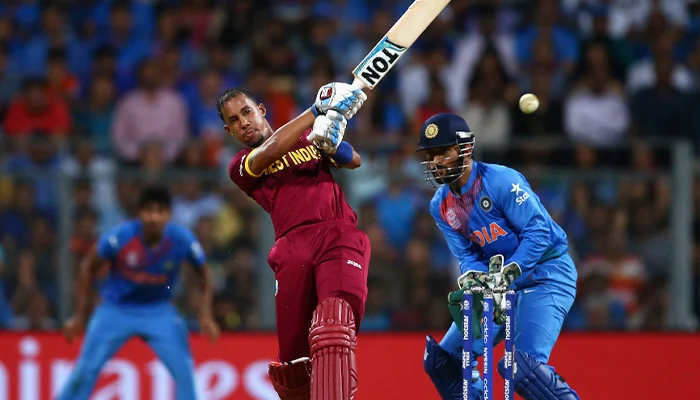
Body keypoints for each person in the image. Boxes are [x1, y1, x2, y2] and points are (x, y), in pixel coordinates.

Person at [219, 83, 371, 400]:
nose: (243, 123)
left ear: (261, 111)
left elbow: (354, 160)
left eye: (246, 112)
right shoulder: (241, 165)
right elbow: (272, 150)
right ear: (229, 131)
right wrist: (315, 111)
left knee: (334, 325)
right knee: (293, 365)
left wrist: (330, 144)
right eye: (234, 120)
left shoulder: (308, 137)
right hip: (292, 248)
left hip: (337, 234)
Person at [417, 113, 580, 400]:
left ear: (464, 149)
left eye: (442, 152)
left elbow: (539, 232)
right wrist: (475, 278)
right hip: (499, 286)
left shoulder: (502, 180)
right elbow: (467, 255)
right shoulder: (440, 205)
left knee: (521, 368)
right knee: (444, 361)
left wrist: (511, 270)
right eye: (430, 155)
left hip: (546, 275)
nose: (435, 162)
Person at [58, 186, 219, 400]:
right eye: (149, 211)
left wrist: (205, 315)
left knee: (184, 371)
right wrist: (80, 315)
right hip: (116, 309)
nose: (154, 217)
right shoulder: (120, 237)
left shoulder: (181, 239)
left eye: (160, 211)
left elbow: (204, 273)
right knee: (87, 369)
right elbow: (88, 266)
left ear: (169, 215)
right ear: (139, 213)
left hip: (159, 311)